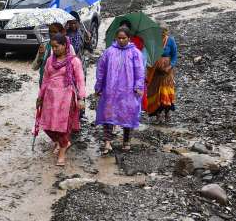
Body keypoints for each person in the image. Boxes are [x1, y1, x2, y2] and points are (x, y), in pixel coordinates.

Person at [93, 26, 145, 155]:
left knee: (127, 114)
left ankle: (126, 141)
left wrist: (138, 87)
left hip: (128, 91)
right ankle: (107, 142)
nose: (121, 40)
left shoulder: (135, 53)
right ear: (116, 38)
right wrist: (98, 86)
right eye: (119, 38)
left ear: (129, 38)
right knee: (108, 115)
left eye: (124, 38)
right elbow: (101, 70)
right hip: (110, 90)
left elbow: (139, 71)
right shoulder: (109, 52)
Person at [34, 35, 86, 166]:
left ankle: (62, 153)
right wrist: (40, 97)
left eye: (57, 46)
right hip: (50, 98)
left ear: (65, 45)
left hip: (67, 98)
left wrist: (81, 98)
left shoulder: (74, 61)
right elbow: (45, 80)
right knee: (47, 126)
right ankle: (64, 143)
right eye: (53, 47)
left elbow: (80, 80)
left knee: (63, 127)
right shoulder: (50, 60)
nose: (54, 49)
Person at [143, 23, 178, 124]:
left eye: (164, 32)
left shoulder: (170, 41)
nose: (162, 34)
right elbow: (148, 55)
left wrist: (170, 66)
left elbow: (174, 56)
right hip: (154, 70)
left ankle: (167, 114)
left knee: (165, 91)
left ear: (167, 32)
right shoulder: (153, 41)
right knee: (154, 91)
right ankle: (158, 116)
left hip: (166, 71)